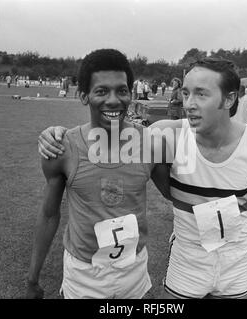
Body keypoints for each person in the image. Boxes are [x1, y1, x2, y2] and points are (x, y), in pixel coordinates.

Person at [38, 57, 247, 299]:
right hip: (187, 259)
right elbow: (113, 131)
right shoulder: (167, 135)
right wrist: (56, 134)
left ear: (229, 98)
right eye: (186, 93)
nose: (189, 103)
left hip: (237, 257)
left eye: (201, 94)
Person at [27, 48, 169, 299]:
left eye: (121, 90)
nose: (114, 100)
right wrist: (32, 278)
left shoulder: (151, 143)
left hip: (134, 269)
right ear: (83, 96)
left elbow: (176, 193)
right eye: (102, 91)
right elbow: (49, 215)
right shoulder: (63, 148)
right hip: (84, 274)